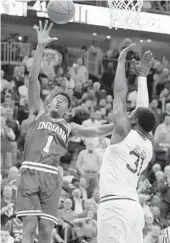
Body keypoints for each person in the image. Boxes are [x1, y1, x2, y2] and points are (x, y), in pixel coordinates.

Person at [16, 20, 114, 243]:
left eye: (63, 101)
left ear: (68, 110)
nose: (58, 102)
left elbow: (97, 130)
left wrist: (122, 123)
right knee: (29, 226)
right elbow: (33, 79)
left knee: (46, 229)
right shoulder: (37, 112)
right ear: (48, 103)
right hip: (31, 170)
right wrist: (40, 46)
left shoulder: (69, 127)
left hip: (52, 176)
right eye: (55, 99)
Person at [97, 44, 157, 243]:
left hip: (114, 208)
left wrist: (121, 62)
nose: (128, 114)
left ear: (133, 121)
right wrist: (142, 78)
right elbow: (143, 109)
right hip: (133, 209)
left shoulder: (123, 132)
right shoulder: (147, 145)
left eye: (131, 115)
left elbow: (120, 94)